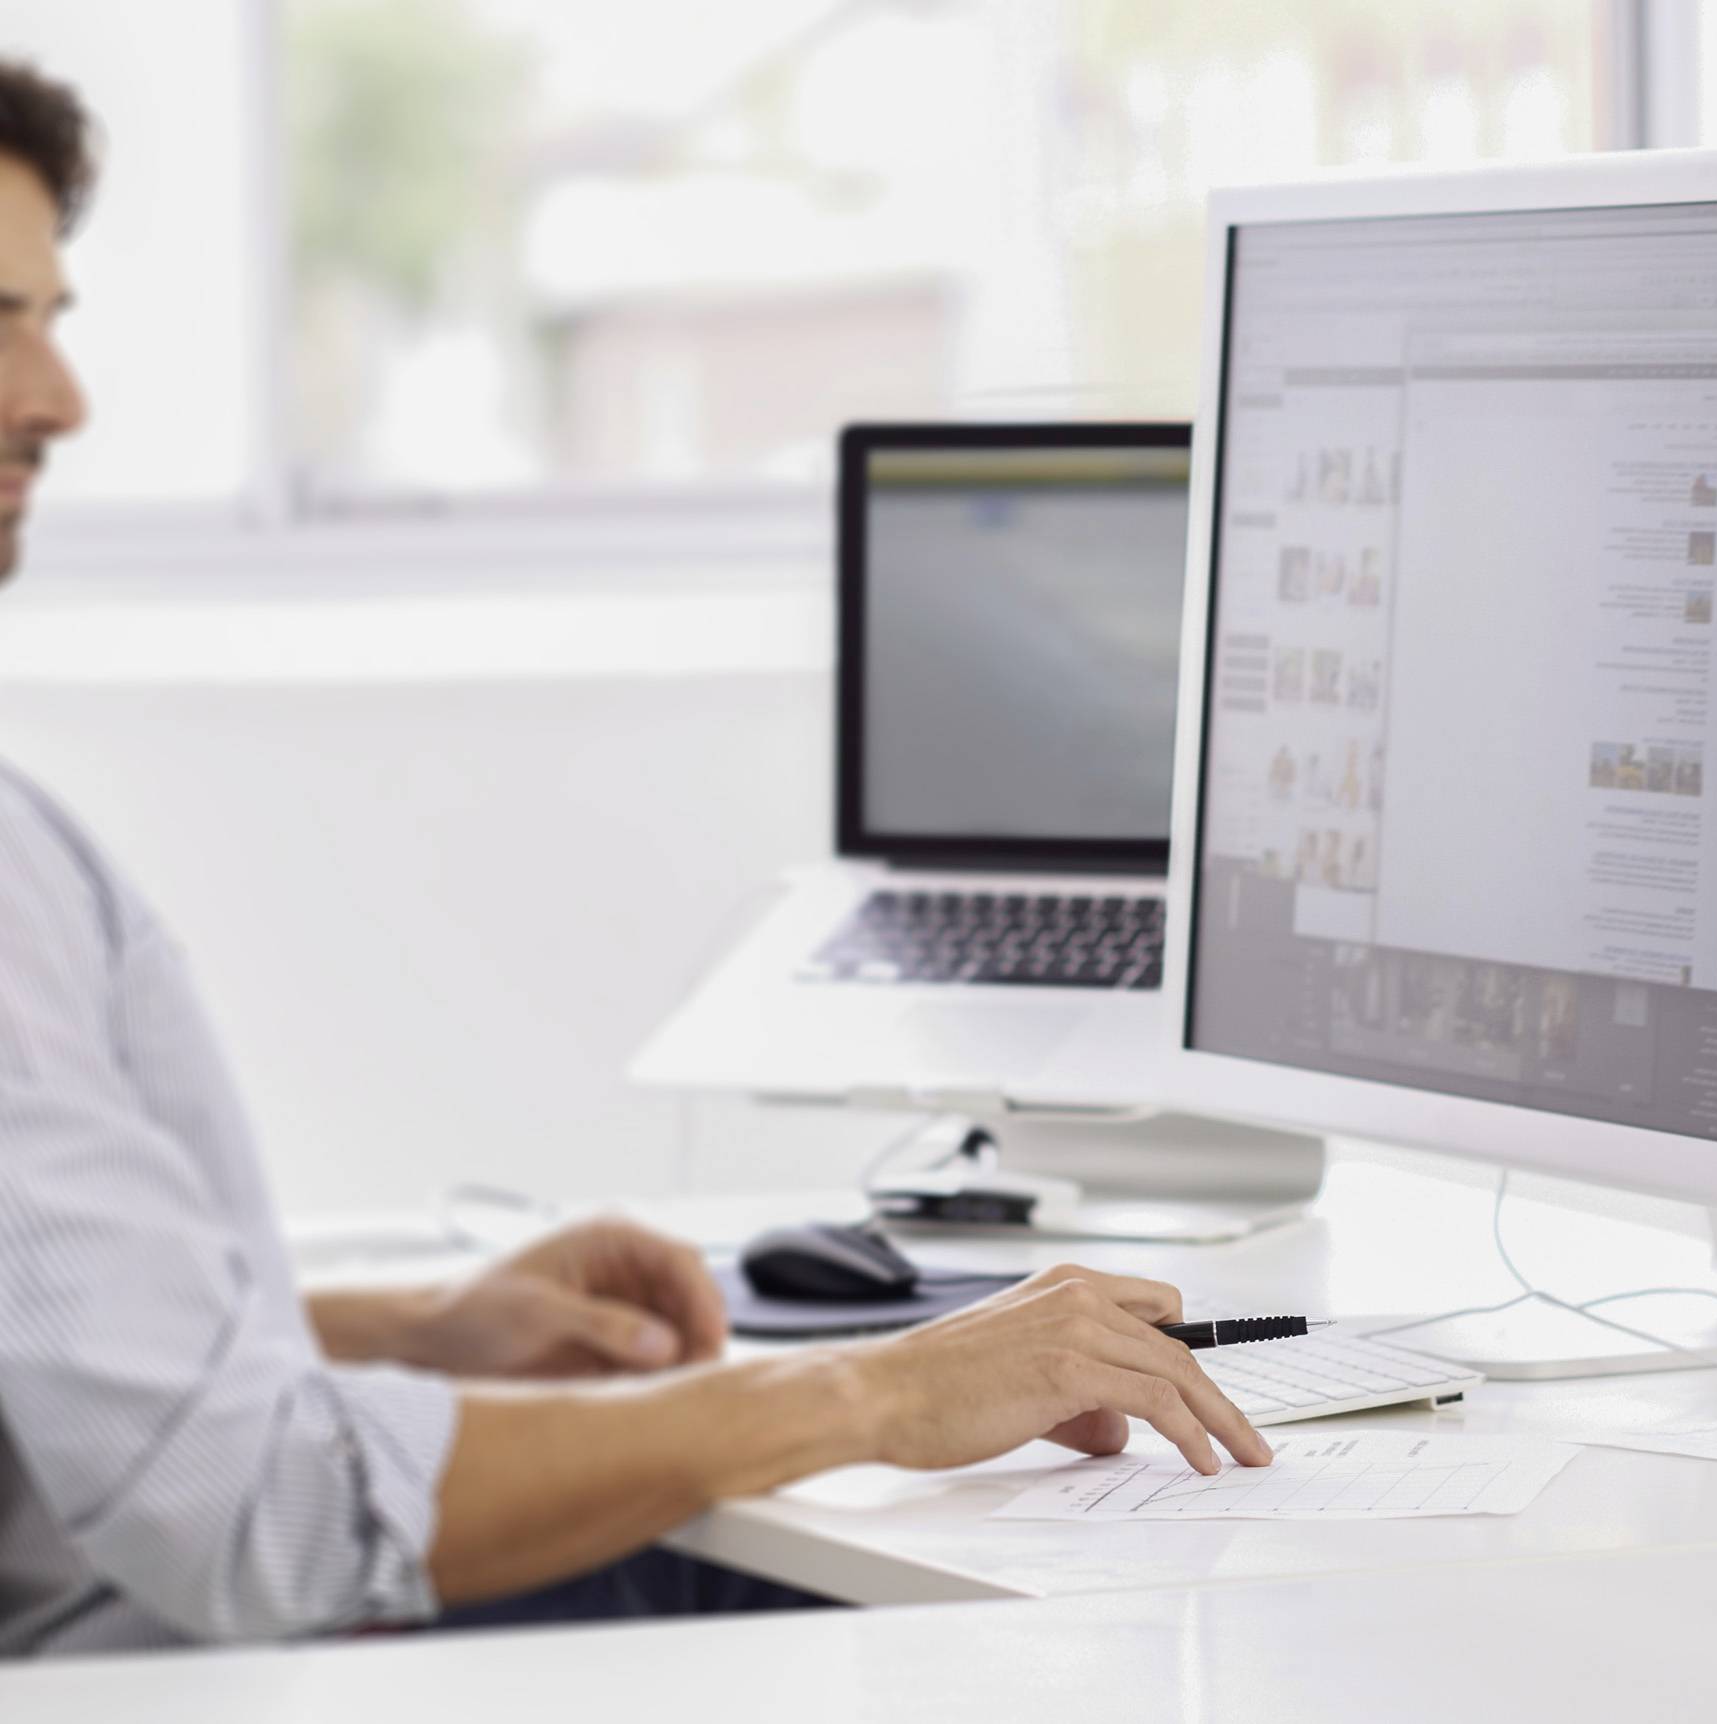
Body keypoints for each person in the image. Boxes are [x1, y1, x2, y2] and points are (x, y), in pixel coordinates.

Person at [0, 60, 1268, 1658]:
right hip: (155, 1660)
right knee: (1059, 1618)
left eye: (50, 318)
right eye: (1, 324)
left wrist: (422, 1327)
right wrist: (877, 1392)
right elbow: (267, 1514)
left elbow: (66, 1351)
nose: (61, 397)